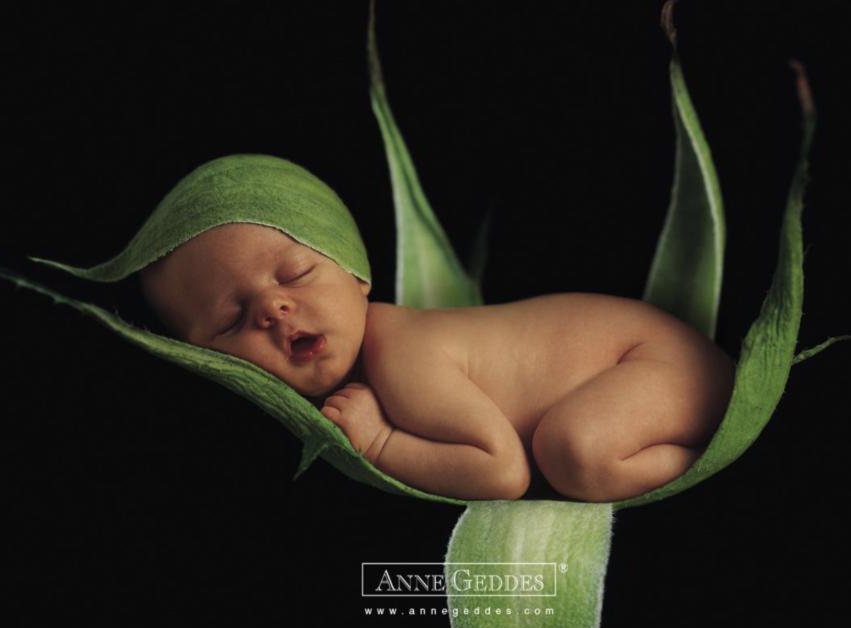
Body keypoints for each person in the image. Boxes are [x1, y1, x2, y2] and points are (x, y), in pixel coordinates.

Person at [47, 154, 734, 502]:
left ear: (357, 273)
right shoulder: (377, 356)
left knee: (574, 449)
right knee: (573, 444)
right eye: (232, 320)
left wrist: (377, 440)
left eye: (295, 275)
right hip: (643, 367)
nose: (272, 310)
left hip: (650, 362)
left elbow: (501, 471)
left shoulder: (402, 350)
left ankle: (721, 453)